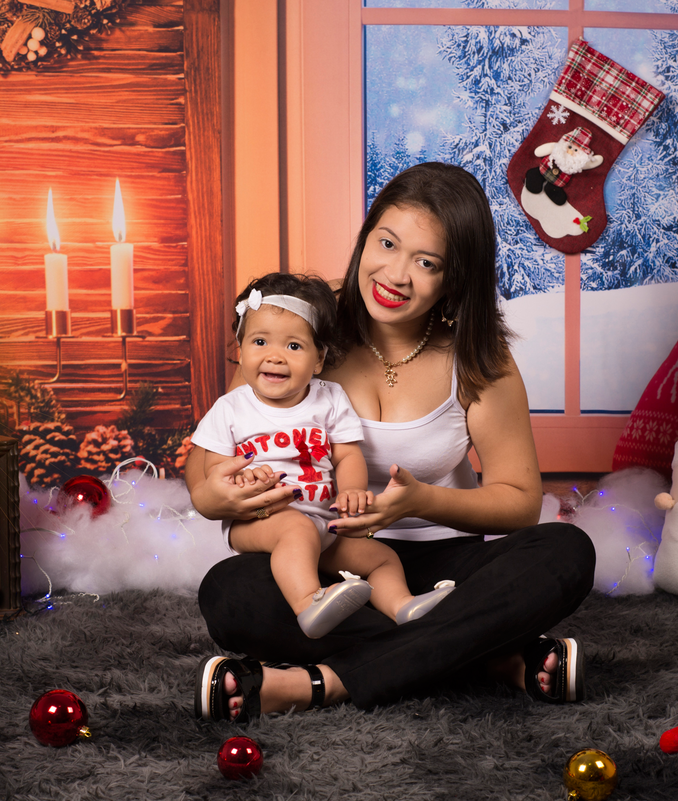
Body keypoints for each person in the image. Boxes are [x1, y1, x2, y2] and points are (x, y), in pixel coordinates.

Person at [189, 162, 596, 723]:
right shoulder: (301, 325)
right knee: (229, 592)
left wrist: (421, 501)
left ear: (455, 278)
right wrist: (217, 495)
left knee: (565, 553)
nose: (396, 275)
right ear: (365, 238)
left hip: (444, 565)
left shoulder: (478, 355)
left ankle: (321, 684)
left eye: (427, 263)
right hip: (324, 553)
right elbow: (212, 453)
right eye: (387, 243)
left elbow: (521, 501)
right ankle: (487, 657)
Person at [191, 272, 457, 642]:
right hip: (262, 521)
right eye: (260, 341)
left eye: (294, 346)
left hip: (323, 523)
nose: (274, 356)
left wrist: (351, 492)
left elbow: (347, 456)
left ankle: (403, 606)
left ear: (319, 359)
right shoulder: (231, 408)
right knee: (295, 530)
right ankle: (307, 604)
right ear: (240, 349)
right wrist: (240, 480)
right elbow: (214, 468)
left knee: (380, 557)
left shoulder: (329, 398)